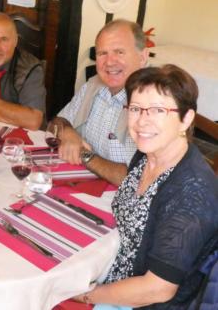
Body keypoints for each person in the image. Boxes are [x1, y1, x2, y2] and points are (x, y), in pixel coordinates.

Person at [72, 65, 218, 309]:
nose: (142, 121)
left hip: (140, 301)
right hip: (112, 266)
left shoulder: (192, 194)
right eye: (136, 109)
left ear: (186, 119)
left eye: (158, 110)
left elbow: (157, 289)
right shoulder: (147, 154)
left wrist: (88, 295)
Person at [50, 19, 149, 185]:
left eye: (119, 52)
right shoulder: (93, 84)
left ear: (143, 57)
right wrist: (67, 131)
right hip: (85, 184)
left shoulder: (153, 103)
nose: (109, 62)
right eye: (102, 53)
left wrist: (85, 156)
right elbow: (57, 121)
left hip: (126, 202)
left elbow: (140, 178)